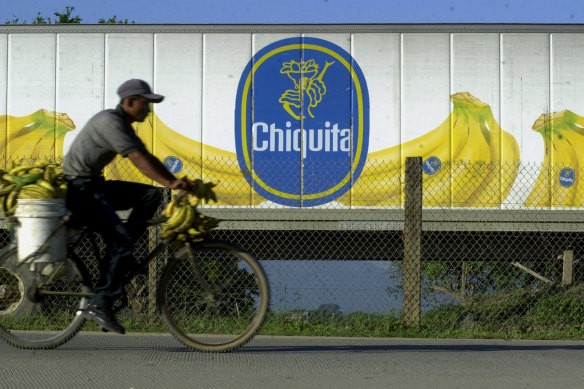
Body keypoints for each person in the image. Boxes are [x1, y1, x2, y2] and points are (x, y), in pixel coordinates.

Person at [63, 79, 192, 334]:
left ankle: (122, 255)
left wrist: (171, 182)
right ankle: (99, 303)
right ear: (129, 102)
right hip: (79, 188)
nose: (148, 110)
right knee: (121, 240)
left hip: (94, 185)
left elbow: (148, 156)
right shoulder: (110, 122)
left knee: (150, 196)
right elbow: (136, 157)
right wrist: (171, 181)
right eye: (145, 104)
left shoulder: (123, 125)